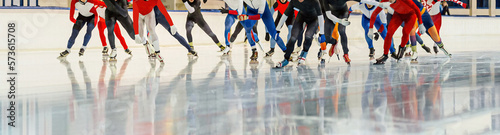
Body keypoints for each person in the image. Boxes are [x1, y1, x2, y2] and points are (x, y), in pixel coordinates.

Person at [365, 0, 425, 64]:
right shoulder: (385, 1)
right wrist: (370, 29)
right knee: (389, 33)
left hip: (410, 15)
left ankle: (402, 48)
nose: (390, 1)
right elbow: (374, 13)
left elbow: (417, 9)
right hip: (398, 15)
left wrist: (421, 24)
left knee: (405, 32)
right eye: (389, 1)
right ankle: (385, 55)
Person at [275, 0, 326, 67]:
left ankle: (304, 52)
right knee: (293, 38)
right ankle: (286, 59)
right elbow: (285, 14)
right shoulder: (294, 1)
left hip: (314, 19)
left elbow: (320, 16)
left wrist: (322, 33)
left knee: (308, 36)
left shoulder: (314, 1)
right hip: (301, 17)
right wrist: (277, 29)